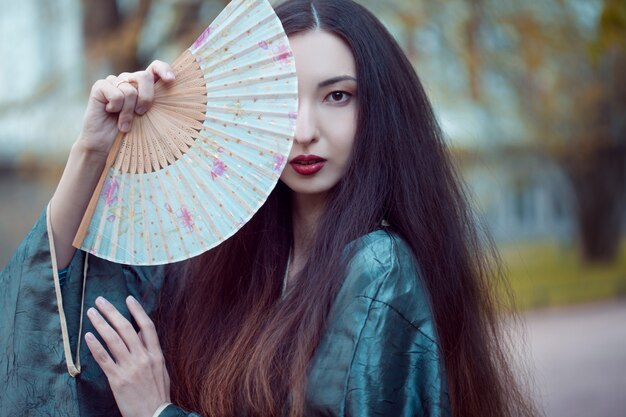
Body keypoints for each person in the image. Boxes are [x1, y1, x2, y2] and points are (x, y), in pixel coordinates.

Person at [0, 0, 539, 416]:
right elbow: (53, 323)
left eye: (337, 96)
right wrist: (92, 148)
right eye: (283, 101)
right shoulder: (218, 262)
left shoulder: (378, 271)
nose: (304, 132)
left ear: (378, 110)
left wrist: (160, 411)